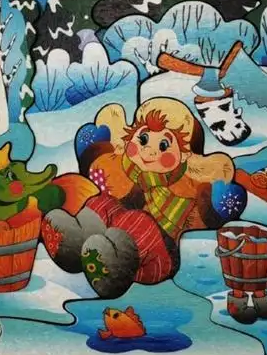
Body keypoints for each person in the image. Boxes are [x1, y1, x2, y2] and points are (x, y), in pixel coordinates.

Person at [41, 97, 247, 298]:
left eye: (164, 145)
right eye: (143, 139)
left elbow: (200, 219)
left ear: (184, 155)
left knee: (138, 221)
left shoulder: (186, 188)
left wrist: (217, 206)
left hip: (156, 256)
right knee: (103, 202)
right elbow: (108, 178)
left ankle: (113, 269)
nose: (148, 150)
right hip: (119, 232)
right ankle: (74, 243)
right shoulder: (129, 171)